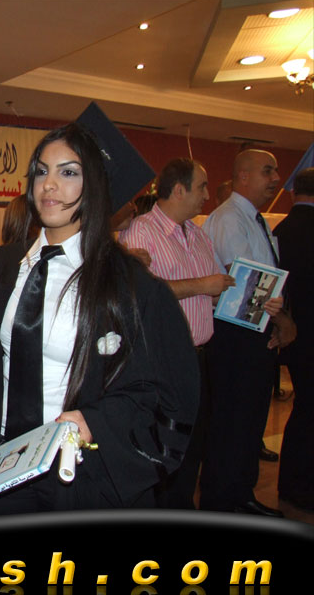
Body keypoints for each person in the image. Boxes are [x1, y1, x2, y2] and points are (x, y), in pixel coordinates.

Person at [0, 123, 200, 517]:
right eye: (41, 171)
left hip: (75, 472)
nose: (49, 185)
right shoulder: (4, 266)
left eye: (68, 172)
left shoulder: (128, 287)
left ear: (95, 185)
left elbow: (161, 389)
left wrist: (95, 421)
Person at [118, 157, 235, 509]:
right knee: (165, 451)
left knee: (193, 447)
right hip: (163, 361)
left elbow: (217, 287)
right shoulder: (141, 232)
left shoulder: (198, 234)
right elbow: (138, 294)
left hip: (199, 358)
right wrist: (201, 285)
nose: (207, 196)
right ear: (179, 189)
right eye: (201, 187)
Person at [199, 148, 296, 516]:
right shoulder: (229, 219)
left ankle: (241, 495)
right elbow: (246, 284)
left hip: (254, 330)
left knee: (249, 422)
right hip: (235, 333)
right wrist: (284, 322)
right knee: (232, 422)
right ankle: (223, 502)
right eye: (267, 171)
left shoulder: (254, 219)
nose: (276, 179)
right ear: (243, 176)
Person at [274, 166, 314, 511]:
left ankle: (292, 483)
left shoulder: (281, 229)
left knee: (304, 408)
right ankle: (300, 485)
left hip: (290, 329)